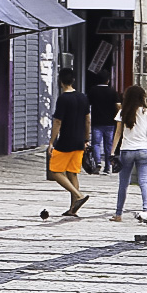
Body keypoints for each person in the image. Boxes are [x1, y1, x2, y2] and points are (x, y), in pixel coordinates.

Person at [46, 68, 92, 216]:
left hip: (65, 141)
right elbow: (87, 120)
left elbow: (58, 121)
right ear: (73, 80)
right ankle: (73, 209)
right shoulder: (83, 97)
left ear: (60, 81)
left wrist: (51, 142)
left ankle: (78, 195)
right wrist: (86, 139)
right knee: (72, 173)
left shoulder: (63, 98)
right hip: (79, 141)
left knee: (55, 171)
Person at [110, 85, 147, 223]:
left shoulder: (123, 112)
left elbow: (118, 133)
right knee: (143, 182)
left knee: (123, 183)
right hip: (144, 150)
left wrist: (112, 152)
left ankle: (118, 214)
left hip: (127, 150)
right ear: (142, 97)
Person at [86, 71, 119, 175]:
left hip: (96, 122)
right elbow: (118, 106)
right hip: (110, 122)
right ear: (108, 80)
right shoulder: (113, 92)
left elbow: (88, 105)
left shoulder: (93, 91)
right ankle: (108, 166)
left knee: (96, 143)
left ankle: (98, 162)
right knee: (108, 144)